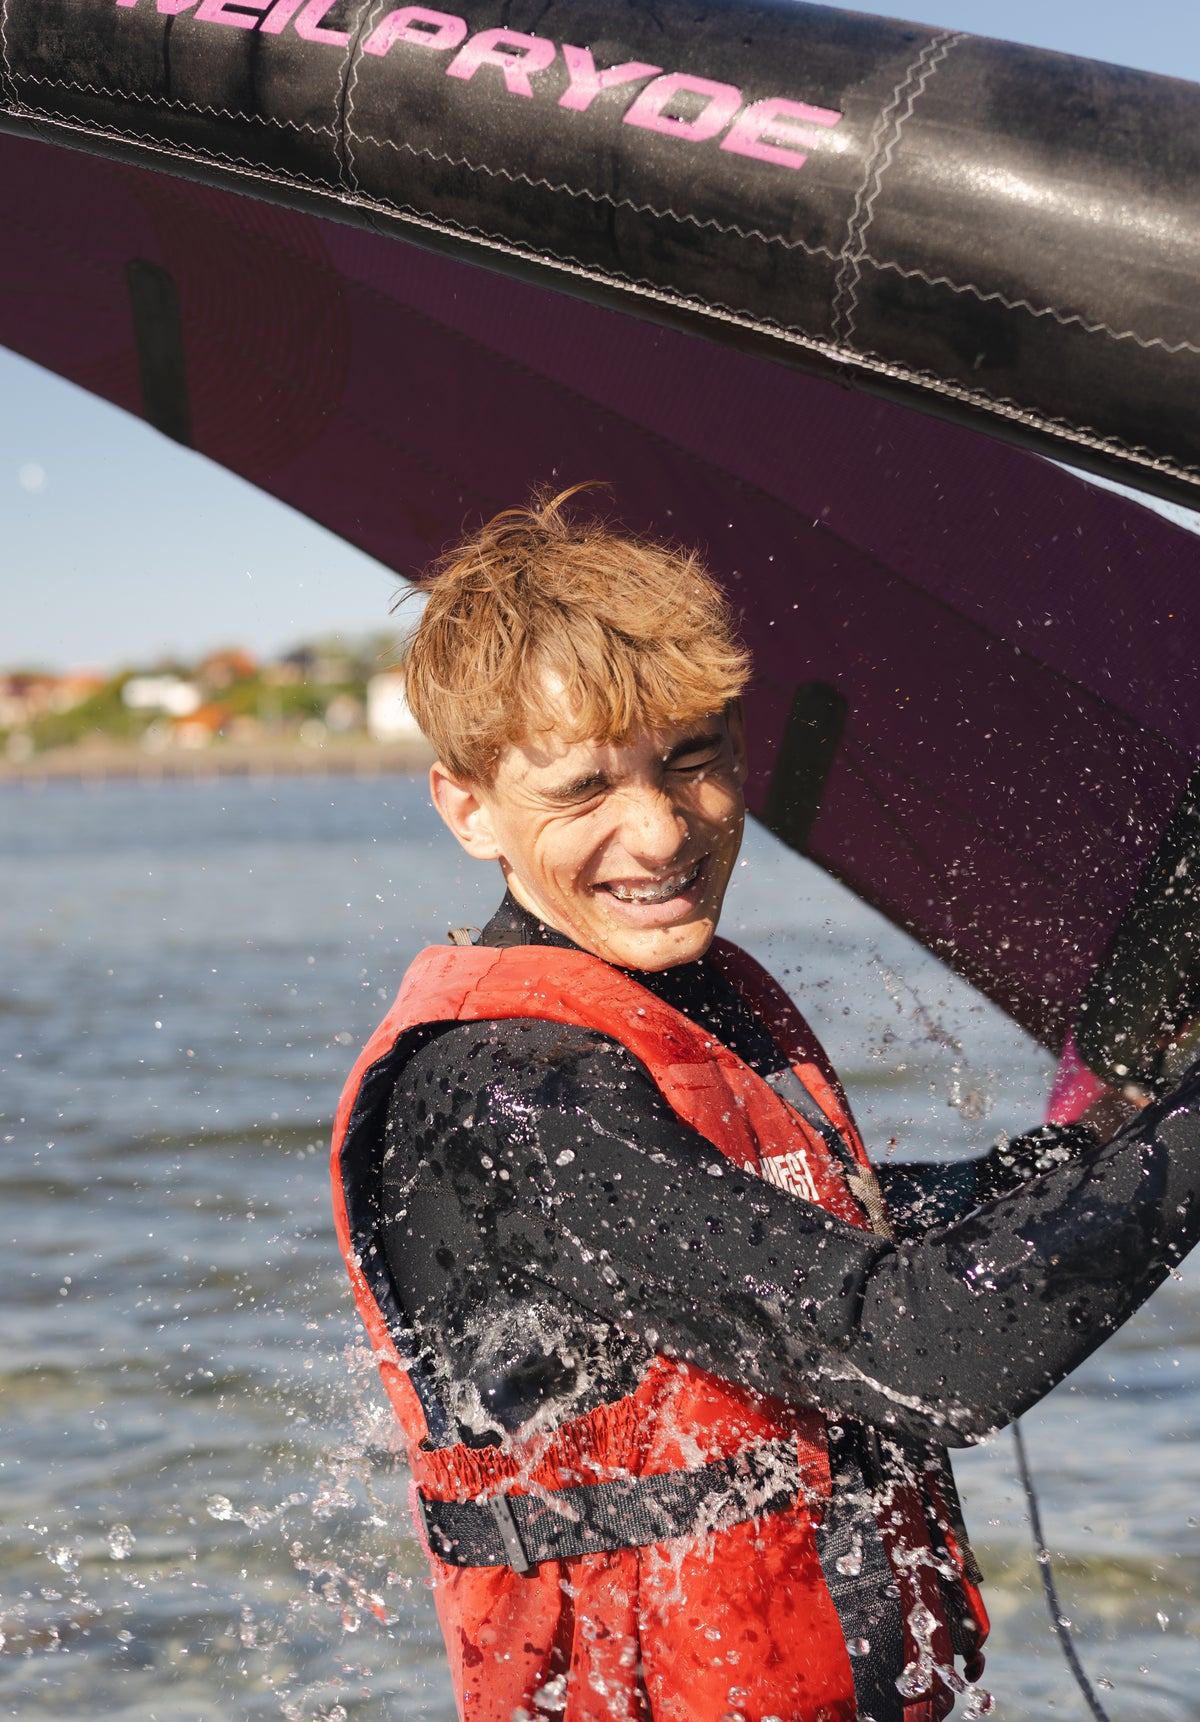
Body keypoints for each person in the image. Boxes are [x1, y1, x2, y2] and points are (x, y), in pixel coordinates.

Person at [331, 488, 1200, 1722]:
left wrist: (1107, 1138)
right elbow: (924, 1354)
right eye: (584, 791)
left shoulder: (694, 1002)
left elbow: (830, 1240)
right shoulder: (505, 1091)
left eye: (694, 757)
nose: (660, 831)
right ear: (469, 808)